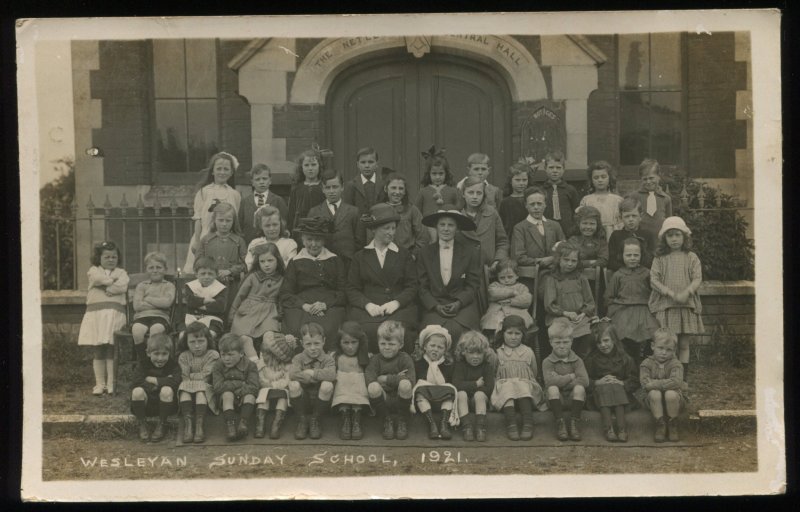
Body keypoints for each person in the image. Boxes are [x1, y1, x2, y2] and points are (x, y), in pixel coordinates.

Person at [346, 203, 419, 353]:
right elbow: (352, 288)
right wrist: (368, 305)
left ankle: (403, 369)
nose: (391, 232)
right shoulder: (360, 257)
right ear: (373, 229)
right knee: (366, 330)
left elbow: (412, 286)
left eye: (393, 228)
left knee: (398, 331)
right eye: (386, 228)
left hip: (399, 308)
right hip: (369, 309)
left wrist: (396, 303)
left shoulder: (403, 254)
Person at [279, 217, 347, 350]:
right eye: (309, 239)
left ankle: (329, 361)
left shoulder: (335, 260)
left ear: (324, 240)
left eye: (318, 239)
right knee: (297, 329)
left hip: (330, 303)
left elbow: (343, 291)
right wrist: (304, 306)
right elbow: (286, 292)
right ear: (303, 240)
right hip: (302, 304)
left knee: (328, 329)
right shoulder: (295, 262)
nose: (314, 244)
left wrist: (325, 305)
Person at [648, 216, 704, 376]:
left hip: (686, 306)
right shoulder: (660, 259)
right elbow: (654, 280)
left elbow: (697, 278)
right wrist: (671, 293)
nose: (674, 239)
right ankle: (668, 374)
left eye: (677, 235)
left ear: (684, 237)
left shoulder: (691, 257)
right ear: (664, 238)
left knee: (684, 344)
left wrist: (686, 292)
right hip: (668, 306)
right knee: (668, 343)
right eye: (670, 235)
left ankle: (682, 377)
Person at [417, 206, 482, 343]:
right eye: (442, 225)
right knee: (434, 334)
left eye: (451, 225)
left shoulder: (470, 252)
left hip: (463, 304)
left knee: (461, 331)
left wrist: (459, 302)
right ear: (436, 227)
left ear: (457, 229)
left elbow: (473, 284)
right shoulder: (424, 253)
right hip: (435, 304)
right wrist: (435, 306)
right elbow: (422, 286)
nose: (446, 229)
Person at [78, 241, 129, 395]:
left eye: (114, 257)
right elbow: (97, 279)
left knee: (111, 348)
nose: (111, 259)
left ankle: (111, 384)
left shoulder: (122, 273)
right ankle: (100, 384)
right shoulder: (93, 270)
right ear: (98, 258)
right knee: (98, 348)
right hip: (96, 314)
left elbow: (123, 286)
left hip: (114, 313)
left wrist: (108, 288)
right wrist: (111, 284)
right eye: (106, 256)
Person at [490, 315, 546, 441]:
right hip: (506, 395)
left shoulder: (528, 352)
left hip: (526, 394)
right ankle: (511, 425)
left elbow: (534, 372)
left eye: (517, 333)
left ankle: (528, 424)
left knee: (521, 384)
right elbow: (494, 374)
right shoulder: (498, 353)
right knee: (508, 385)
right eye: (509, 333)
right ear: (503, 333)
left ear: (523, 335)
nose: (513, 337)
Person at [184, 151, 241, 274]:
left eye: (226, 169)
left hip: (226, 239)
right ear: (212, 171)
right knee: (204, 270)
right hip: (206, 236)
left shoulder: (235, 194)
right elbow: (198, 218)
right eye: (219, 168)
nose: (222, 172)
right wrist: (197, 241)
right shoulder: (203, 192)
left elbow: (235, 221)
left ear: (231, 172)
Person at [605, 237, 660, 365]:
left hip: (644, 309)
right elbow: (609, 296)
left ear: (641, 255)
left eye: (636, 255)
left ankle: (648, 362)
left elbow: (655, 293)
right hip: (623, 309)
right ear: (622, 256)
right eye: (628, 255)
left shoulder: (647, 273)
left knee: (653, 332)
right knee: (623, 333)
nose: (632, 258)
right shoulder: (618, 275)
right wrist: (613, 310)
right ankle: (629, 364)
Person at [583, 320, 638, 443]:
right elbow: (584, 380)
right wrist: (597, 382)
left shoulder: (625, 358)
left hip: (622, 398)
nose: (603, 345)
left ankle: (622, 429)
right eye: (598, 342)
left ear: (614, 339)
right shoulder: (591, 360)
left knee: (615, 386)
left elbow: (635, 380)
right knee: (605, 387)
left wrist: (622, 383)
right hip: (600, 398)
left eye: (606, 340)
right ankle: (608, 429)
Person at [229, 243, 284, 362]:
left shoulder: (281, 279)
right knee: (244, 338)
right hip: (248, 311)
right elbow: (240, 296)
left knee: (269, 337)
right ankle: (257, 364)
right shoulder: (253, 277)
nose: (266, 264)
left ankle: (266, 364)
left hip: (269, 313)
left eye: (270, 260)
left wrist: (281, 316)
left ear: (277, 260)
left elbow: (282, 300)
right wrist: (232, 313)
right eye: (262, 261)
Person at [542, 242, 596, 358]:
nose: (570, 264)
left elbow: (590, 302)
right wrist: (565, 313)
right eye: (566, 260)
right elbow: (549, 305)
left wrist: (583, 313)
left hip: (579, 317)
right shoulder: (552, 279)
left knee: (588, 335)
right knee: (563, 334)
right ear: (558, 260)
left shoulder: (581, 278)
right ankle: (563, 363)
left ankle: (580, 363)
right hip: (559, 317)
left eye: (573, 261)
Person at [365, 320, 416, 440]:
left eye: (391, 344)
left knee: (405, 384)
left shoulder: (405, 358)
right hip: (383, 399)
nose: (386, 347)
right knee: (373, 387)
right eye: (383, 343)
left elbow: (410, 379)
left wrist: (385, 379)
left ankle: (402, 420)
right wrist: (397, 377)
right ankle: (386, 420)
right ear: (378, 343)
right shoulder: (375, 360)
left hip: (401, 399)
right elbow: (370, 378)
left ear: (401, 344)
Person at [635, 328, 687, 442]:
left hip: (675, 401)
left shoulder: (676, 364)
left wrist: (654, 383)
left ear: (674, 350)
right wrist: (656, 386)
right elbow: (645, 383)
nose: (664, 353)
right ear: (653, 346)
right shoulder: (646, 364)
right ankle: (660, 425)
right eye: (660, 348)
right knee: (654, 393)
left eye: (669, 350)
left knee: (670, 394)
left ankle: (672, 424)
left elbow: (676, 381)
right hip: (653, 401)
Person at [542, 317, 590, 442]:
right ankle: (560, 424)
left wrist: (560, 381)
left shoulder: (577, 360)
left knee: (579, 388)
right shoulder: (547, 362)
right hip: (556, 400)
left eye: (565, 342)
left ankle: (574, 424)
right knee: (552, 389)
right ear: (550, 342)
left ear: (571, 341)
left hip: (573, 399)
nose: (562, 346)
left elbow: (585, 380)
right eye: (557, 343)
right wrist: (570, 376)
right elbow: (549, 382)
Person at [195, 201, 247, 312]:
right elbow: (198, 262)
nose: (224, 224)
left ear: (233, 222)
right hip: (209, 283)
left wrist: (230, 270)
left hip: (231, 284)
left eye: (228, 221)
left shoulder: (239, 241)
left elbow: (245, 263)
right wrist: (210, 271)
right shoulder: (206, 240)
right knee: (211, 309)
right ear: (214, 220)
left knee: (228, 309)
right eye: (221, 220)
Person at [289, 322, 336, 440]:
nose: (313, 348)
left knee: (327, 385)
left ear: (324, 341)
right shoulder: (298, 358)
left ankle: (316, 419)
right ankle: (302, 420)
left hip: (321, 400)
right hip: (303, 399)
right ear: (302, 343)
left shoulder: (328, 359)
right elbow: (293, 374)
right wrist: (315, 378)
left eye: (317, 343)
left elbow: (331, 375)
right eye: (308, 344)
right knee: (293, 385)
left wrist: (312, 373)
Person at [130, 333, 180, 442]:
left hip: (166, 406)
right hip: (147, 405)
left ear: (169, 354)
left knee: (167, 390)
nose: (160, 358)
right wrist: (163, 382)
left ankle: (162, 424)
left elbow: (176, 382)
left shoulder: (173, 365)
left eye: (164, 354)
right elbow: (136, 381)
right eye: (156, 354)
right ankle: (142, 424)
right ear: (148, 353)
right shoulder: (143, 364)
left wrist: (154, 380)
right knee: (137, 391)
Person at [308, 169, 362, 267]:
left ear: (342, 187)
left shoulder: (353, 212)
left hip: (348, 264)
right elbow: (311, 240)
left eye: (335, 187)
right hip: (322, 264)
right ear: (322, 189)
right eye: (328, 188)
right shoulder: (314, 212)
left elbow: (359, 242)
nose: (332, 191)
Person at [412, 326, 457, 440]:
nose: (435, 349)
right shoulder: (418, 362)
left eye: (440, 347)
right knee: (420, 390)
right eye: (432, 345)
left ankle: (443, 424)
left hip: (442, 400)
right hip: (425, 402)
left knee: (450, 393)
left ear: (445, 350)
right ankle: (432, 424)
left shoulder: (448, 364)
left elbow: (451, 383)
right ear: (425, 346)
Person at [177, 322, 220, 444]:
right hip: (188, 387)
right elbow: (184, 377)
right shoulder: (183, 356)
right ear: (186, 342)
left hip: (206, 389)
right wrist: (192, 377)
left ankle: (199, 427)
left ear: (208, 340)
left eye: (201, 341)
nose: (197, 346)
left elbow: (206, 377)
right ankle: (188, 427)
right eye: (192, 342)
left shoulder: (213, 355)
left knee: (201, 390)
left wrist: (191, 376)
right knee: (184, 388)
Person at [211, 333, 259, 442]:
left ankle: (243, 423)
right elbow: (217, 387)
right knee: (227, 394)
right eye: (223, 355)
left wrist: (236, 390)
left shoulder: (250, 365)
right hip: (226, 402)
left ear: (241, 353)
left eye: (230, 354)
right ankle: (230, 427)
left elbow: (254, 386)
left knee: (250, 395)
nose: (226, 359)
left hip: (244, 401)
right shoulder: (218, 365)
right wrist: (240, 384)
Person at [131, 252, 175, 364]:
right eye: (151, 267)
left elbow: (167, 303)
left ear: (165, 269)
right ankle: (144, 361)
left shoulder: (168, 285)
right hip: (142, 316)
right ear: (147, 269)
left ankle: (156, 360)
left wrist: (148, 299)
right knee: (136, 330)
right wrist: (158, 303)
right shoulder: (142, 286)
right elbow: (137, 306)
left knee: (156, 329)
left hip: (161, 317)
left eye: (159, 267)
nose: (155, 270)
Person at [459, 175, 509, 271]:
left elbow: (502, 241)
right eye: (470, 192)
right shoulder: (457, 215)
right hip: (464, 270)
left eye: (479, 193)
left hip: (488, 269)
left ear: (484, 195)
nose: (475, 197)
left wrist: (498, 260)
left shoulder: (492, 213)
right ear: (463, 194)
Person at [453, 331, 496, 442]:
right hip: (464, 402)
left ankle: (480, 427)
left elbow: (489, 388)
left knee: (479, 395)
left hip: (480, 401)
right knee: (461, 394)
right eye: (471, 353)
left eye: (479, 353)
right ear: (463, 352)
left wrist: (469, 387)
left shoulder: (487, 366)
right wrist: (475, 384)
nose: (475, 356)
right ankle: (467, 427)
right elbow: (456, 385)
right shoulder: (460, 366)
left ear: (485, 353)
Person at [331, 322, 371, 440]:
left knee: (358, 378)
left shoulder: (367, 357)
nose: (350, 347)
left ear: (360, 342)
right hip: (341, 394)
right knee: (342, 378)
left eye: (354, 342)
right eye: (346, 342)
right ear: (339, 342)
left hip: (359, 395)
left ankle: (356, 416)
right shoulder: (335, 357)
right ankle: (345, 417)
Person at [254, 331, 298, 440]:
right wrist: (266, 384)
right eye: (262, 353)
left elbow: (286, 381)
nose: (263, 356)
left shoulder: (287, 366)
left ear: (276, 357)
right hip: (266, 389)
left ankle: (276, 423)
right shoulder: (261, 364)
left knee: (283, 396)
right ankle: (260, 423)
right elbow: (260, 379)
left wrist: (273, 384)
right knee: (263, 395)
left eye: (265, 354)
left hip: (280, 389)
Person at [510, 186, 566, 269]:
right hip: (532, 274)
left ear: (545, 204)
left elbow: (565, 250)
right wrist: (539, 261)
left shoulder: (555, 225)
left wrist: (553, 259)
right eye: (532, 204)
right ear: (526, 205)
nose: (536, 207)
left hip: (555, 272)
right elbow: (518, 257)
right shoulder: (520, 228)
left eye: (539, 203)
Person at [414, 145, 460, 242]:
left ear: (446, 174)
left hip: (447, 227)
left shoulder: (452, 191)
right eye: (434, 174)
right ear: (428, 174)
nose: (437, 177)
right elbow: (416, 211)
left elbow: (458, 209)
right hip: (428, 228)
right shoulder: (423, 191)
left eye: (441, 173)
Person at [378, 172, 429, 256]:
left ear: (405, 191)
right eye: (393, 188)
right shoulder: (379, 209)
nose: (397, 192)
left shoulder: (412, 210)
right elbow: (372, 236)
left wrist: (413, 255)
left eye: (401, 188)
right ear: (386, 189)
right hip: (383, 255)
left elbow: (423, 236)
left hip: (406, 256)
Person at [182, 257, 227, 348]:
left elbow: (220, 307)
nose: (206, 277)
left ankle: (209, 354)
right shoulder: (191, 286)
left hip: (213, 320)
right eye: (203, 273)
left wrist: (199, 305)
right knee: (184, 336)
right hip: (193, 318)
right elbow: (190, 302)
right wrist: (205, 301)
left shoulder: (220, 288)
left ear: (216, 274)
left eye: (210, 274)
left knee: (210, 335)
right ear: (196, 274)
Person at [239, 163, 288, 245]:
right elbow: (240, 225)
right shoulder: (245, 202)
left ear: (270, 180)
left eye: (264, 179)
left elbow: (284, 224)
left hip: (272, 245)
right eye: (257, 179)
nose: (261, 182)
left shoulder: (278, 200)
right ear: (252, 182)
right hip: (250, 243)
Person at [343, 147, 384, 243]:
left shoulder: (383, 184)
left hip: (379, 230)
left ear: (377, 164)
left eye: (370, 162)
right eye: (363, 162)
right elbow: (348, 211)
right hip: (358, 233)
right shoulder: (351, 186)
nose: (367, 166)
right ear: (357, 164)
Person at [480, 260, 533, 333]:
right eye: (502, 278)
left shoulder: (521, 287)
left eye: (510, 277)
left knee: (516, 324)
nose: (506, 280)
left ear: (517, 276)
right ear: (497, 277)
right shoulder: (495, 285)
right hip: (496, 313)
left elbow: (527, 300)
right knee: (493, 323)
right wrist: (511, 293)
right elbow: (493, 294)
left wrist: (510, 301)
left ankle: (515, 340)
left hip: (517, 313)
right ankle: (495, 339)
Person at [632, 158, 673, 250]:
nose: (648, 182)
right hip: (640, 239)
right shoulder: (634, 197)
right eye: (645, 179)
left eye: (651, 178)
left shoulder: (666, 198)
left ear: (659, 176)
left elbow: (669, 223)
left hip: (659, 240)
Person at [578, 160, 623, 242]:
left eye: (603, 177)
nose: (600, 180)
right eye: (596, 177)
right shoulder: (587, 200)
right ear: (591, 180)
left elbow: (621, 221)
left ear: (609, 178)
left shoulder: (617, 200)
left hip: (612, 234)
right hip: (593, 235)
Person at [607, 196, 654, 273]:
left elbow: (651, 260)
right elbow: (611, 261)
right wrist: (627, 269)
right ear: (621, 217)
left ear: (640, 216)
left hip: (643, 274)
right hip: (622, 274)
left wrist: (638, 268)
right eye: (627, 216)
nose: (631, 219)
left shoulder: (647, 235)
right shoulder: (616, 235)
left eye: (634, 216)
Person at [287, 148, 325, 240]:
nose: (310, 168)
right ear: (301, 167)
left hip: (319, 228)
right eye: (307, 165)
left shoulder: (323, 187)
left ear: (319, 166)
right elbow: (291, 212)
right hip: (300, 229)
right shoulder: (296, 188)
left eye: (313, 165)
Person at [541, 150, 579, 237]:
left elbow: (576, 211)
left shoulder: (570, 190)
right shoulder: (541, 190)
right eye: (551, 167)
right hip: (546, 229)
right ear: (545, 169)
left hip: (567, 230)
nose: (555, 171)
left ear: (564, 169)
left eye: (558, 168)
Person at [498, 162, 530, 240]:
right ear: (510, 181)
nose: (521, 183)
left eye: (524, 180)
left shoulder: (531, 200)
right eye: (517, 180)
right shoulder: (505, 202)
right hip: (512, 239)